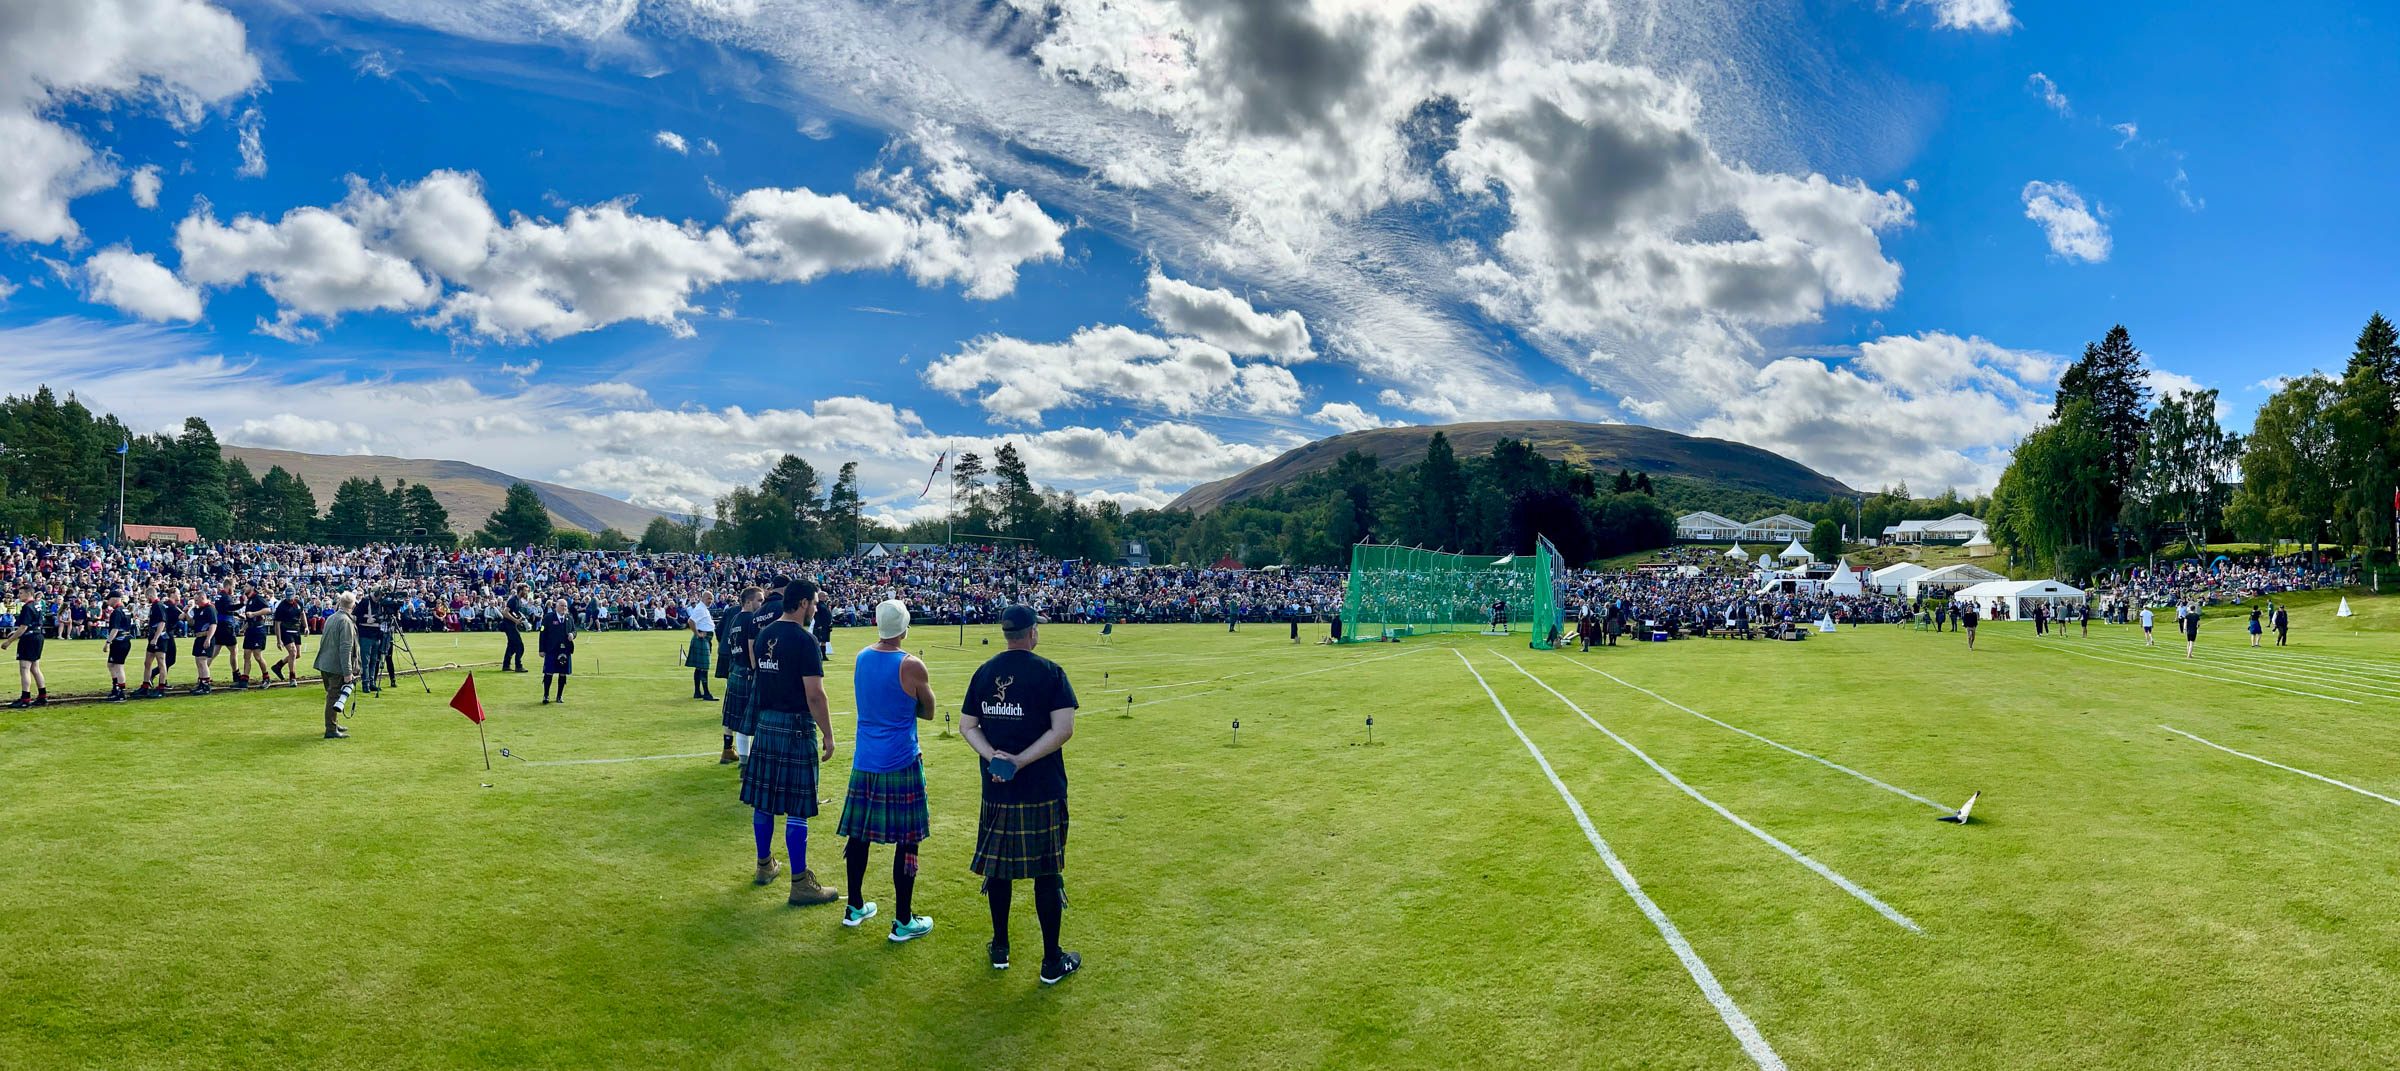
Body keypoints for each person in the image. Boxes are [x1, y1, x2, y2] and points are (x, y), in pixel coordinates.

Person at [960, 604, 1080, 985]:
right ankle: (1051, 961)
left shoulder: (985, 672)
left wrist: (994, 758)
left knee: (999, 869)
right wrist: (1020, 761)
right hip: (1042, 788)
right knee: (1046, 872)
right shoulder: (1051, 673)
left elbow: (967, 726)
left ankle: (1000, 947)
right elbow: (1063, 729)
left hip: (998, 790)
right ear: (1031, 633)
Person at [839, 599, 938, 941]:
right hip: (901, 760)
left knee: (859, 835)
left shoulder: (862, 657)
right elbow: (929, 711)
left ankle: (854, 906)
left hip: (866, 759)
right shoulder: (911, 665)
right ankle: (903, 920)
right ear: (905, 629)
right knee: (908, 839)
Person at [741, 578, 841, 907]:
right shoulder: (804, 640)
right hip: (796, 727)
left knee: (764, 801)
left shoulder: (766, 633)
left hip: (767, 724)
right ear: (802, 604)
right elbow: (815, 695)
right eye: (814, 603)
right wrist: (828, 734)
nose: (816, 609)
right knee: (797, 806)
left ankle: (764, 866)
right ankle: (800, 883)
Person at [719, 586, 764, 765]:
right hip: (747, 671)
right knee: (748, 719)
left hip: (735, 669)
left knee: (733, 715)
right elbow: (752, 647)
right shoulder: (752, 620)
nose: (762, 604)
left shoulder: (735, 618)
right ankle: (746, 761)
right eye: (759, 600)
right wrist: (755, 669)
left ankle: (729, 751)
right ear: (748, 602)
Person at [314, 592, 361, 739]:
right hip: (336, 665)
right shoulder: (346, 622)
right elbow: (345, 648)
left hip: (325, 663)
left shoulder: (331, 618)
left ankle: (333, 723)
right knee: (333, 697)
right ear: (353, 605)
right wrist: (348, 672)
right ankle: (331, 729)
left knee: (332, 696)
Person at [3, 584, 50, 708]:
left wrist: (9, 641)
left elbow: (23, 627)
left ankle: (25, 699)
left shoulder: (27, 607)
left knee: (24, 668)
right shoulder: (37, 605)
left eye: (21, 593)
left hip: (29, 638)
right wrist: (17, 632)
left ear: (28, 593)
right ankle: (42, 696)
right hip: (37, 636)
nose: (19, 596)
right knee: (35, 668)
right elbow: (30, 624)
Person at [540, 598, 576, 704]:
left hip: (565, 650)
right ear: (556, 607)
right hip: (551, 649)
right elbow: (542, 634)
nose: (564, 608)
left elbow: (574, 630)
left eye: (565, 606)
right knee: (549, 672)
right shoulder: (548, 618)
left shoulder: (569, 618)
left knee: (563, 673)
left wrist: (572, 635)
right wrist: (541, 649)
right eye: (562, 605)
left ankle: (559, 696)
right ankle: (546, 695)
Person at [238, 584, 272, 688]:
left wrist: (254, 613)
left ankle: (266, 678)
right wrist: (243, 628)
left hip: (258, 630)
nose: (244, 588)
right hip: (250, 630)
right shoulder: (249, 600)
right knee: (246, 655)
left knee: (257, 656)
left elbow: (268, 610)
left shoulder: (258, 598)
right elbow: (250, 619)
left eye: (246, 586)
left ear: (252, 587)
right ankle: (244, 680)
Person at [103, 592, 135, 702]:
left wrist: (108, 642)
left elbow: (115, 629)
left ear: (114, 599)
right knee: (111, 664)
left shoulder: (117, 612)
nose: (108, 602)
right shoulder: (126, 610)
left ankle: (121, 692)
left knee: (118, 667)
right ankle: (116, 688)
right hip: (125, 640)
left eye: (109, 599)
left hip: (119, 641)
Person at [186, 589, 218, 695]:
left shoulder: (210, 609)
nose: (196, 602)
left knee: (202, 661)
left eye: (197, 600)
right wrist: (187, 612)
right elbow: (192, 623)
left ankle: (206, 685)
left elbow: (213, 624)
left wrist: (208, 638)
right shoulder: (199, 610)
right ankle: (201, 683)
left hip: (205, 636)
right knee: (198, 661)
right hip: (199, 637)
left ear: (202, 598)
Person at [687, 595, 717, 702]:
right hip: (701, 639)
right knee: (704, 667)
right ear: (703, 598)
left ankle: (697, 692)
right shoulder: (700, 608)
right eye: (709, 598)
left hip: (705, 639)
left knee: (699, 667)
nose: (710, 601)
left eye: (712, 599)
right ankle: (706, 693)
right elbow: (691, 621)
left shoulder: (703, 608)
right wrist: (697, 634)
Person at [274, 592, 305, 686]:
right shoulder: (281, 606)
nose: (290, 599)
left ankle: (278, 666)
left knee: (297, 654)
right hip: (286, 631)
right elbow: (277, 623)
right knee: (293, 652)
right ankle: (292, 677)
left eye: (291, 597)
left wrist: (306, 626)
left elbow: (302, 614)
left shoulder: (299, 603)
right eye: (288, 597)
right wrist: (279, 640)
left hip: (296, 630)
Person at [501, 584, 532, 673]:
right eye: (525, 591)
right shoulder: (513, 600)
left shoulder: (518, 600)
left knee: (511, 646)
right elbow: (505, 612)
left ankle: (506, 665)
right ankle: (518, 666)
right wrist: (515, 620)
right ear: (520, 591)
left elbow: (513, 612)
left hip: (511, 625)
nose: (526, 593)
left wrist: (519, 618)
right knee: (519, 646)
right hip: (508, 625)